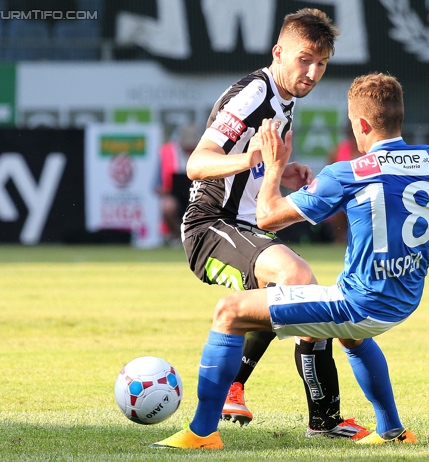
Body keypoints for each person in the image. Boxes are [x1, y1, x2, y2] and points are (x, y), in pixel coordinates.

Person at [151, 72, 429, 450]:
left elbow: (266, 216)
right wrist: (410, 264)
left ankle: (202, 433)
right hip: (403, 301)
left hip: (360, 303)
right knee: (351, 336)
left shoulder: (347, 173)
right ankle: (393, 432)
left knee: (230, 311)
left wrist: (273, 166)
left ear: (361, 124)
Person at [177, 8, 367, 439]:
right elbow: (196, 163)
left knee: (285, 296)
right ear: (278, 52)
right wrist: (255, 159)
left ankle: (252, 393)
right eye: (305, 60)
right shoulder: (253, 95)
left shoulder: (285, 99)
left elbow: (259, 163)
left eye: (321, 63)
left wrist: (282, 171)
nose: (313, 72)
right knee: (298, 279)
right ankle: (321, 419)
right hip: (211, 225)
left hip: (244, 225)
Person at [155, 124, 199, 245]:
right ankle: (177, 236)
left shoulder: (205, 152)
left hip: (199, 196)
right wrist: (166, 190)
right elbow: (156, 186)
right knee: (167, 206)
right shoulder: (166, 153)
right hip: (175, 197)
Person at [325, 122, 361, 243]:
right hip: (342, 194)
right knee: (340, 205)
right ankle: (339, 241)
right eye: (351, 134)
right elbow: (328, 176)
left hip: (363, 194)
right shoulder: (337, 151)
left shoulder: (369, 151)